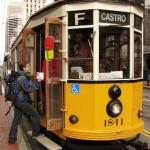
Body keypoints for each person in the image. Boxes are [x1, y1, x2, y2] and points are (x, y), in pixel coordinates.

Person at [8, 63, 42, 144]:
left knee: (16, 119)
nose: (30, 68)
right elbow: (27, 89)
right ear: (24, 68)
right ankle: (35, 133)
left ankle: (12, 138)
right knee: (35, 114)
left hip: (17, 101)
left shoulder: (18, 75)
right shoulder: (22, 77)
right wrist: (37, 83)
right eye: (28, 66)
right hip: (21, 101)